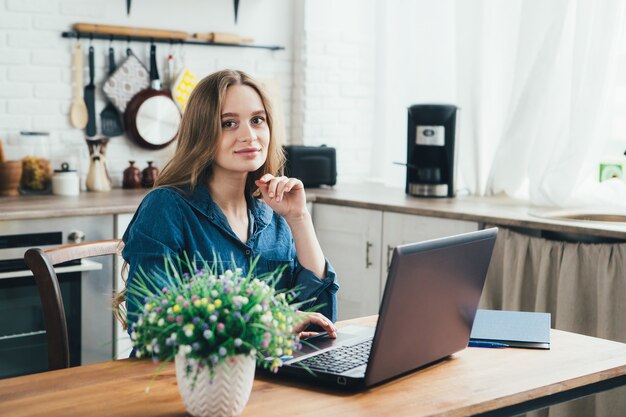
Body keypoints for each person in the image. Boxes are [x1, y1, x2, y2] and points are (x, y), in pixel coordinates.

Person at [119, 69, 338, 340]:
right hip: (182, 379)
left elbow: (320, 322)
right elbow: (151, 325)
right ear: (202, 133)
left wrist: (300, 219)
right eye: (229, 123)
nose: (249, 136)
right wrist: (270, 325)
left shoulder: (276, 214)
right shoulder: (166, 208)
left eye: (257, 120)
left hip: (269, 376)